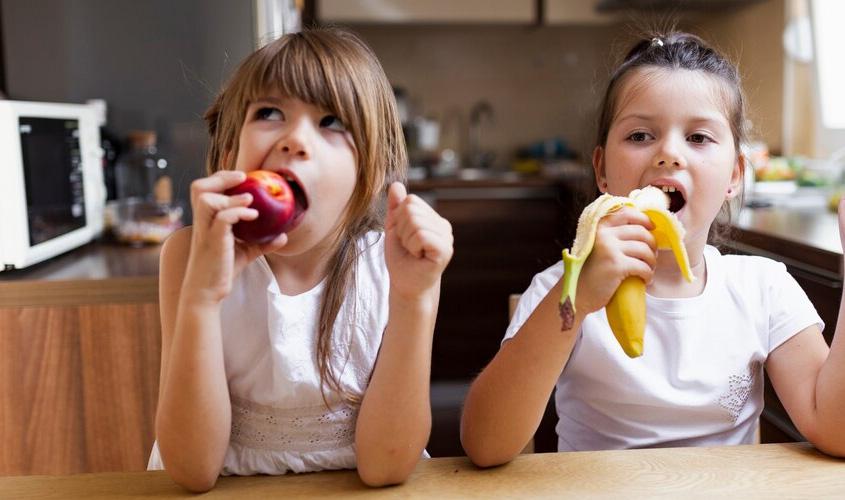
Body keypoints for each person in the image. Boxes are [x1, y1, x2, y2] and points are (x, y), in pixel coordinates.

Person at [461, 31, 845, 466]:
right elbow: (485, 444)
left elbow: (835, 430)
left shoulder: (765, 290)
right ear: (602, 170)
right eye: (641, 135)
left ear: (736, 174)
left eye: (698, 138)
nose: (669, 153)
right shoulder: (562, 289)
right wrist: (577, 298)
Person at [150, 27, 453, 491]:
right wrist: (202, 298)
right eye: (269, 113)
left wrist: (416, 300)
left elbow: (385, 469)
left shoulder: (392, 267)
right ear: (230, 150)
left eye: (332, 122)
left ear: (369, 172)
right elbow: (193, 471)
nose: (295, 140)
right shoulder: (190, 256)